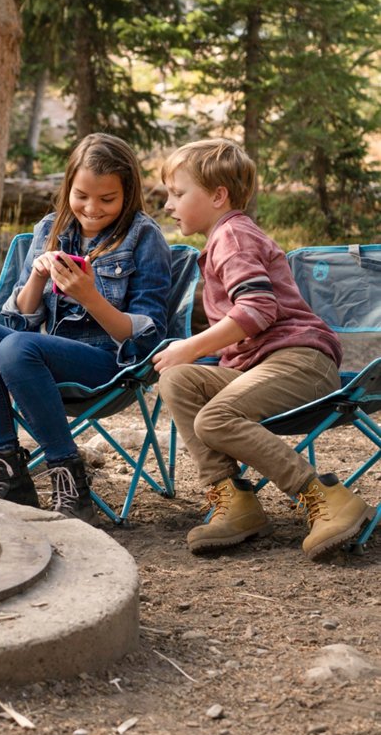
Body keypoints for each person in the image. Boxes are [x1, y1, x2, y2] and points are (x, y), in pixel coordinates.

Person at [153, 138, 370, 560]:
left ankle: (326, 496)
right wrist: (185, 357)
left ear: (218, 196)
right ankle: (235, 501)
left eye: (178, 193)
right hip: (259, 367)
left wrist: (192, 347)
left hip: (300, 360)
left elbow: (258, 309)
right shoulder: (222, 238)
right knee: (177, 380)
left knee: (215, 417)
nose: (167, 204)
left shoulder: (232, 235)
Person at [0, 132, 173, 520]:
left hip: (110, 364)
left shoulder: (143, 237)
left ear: (128, 193)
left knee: (19, 347)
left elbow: (144, 339)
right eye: (81, 195)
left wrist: (90, 296)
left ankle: (68, 478)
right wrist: (37, 276)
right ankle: (7, 470)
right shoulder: (51, 228)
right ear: (68, 186)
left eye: (107, 199)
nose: (91, 208)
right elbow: (19, 318)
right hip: (38, 361)